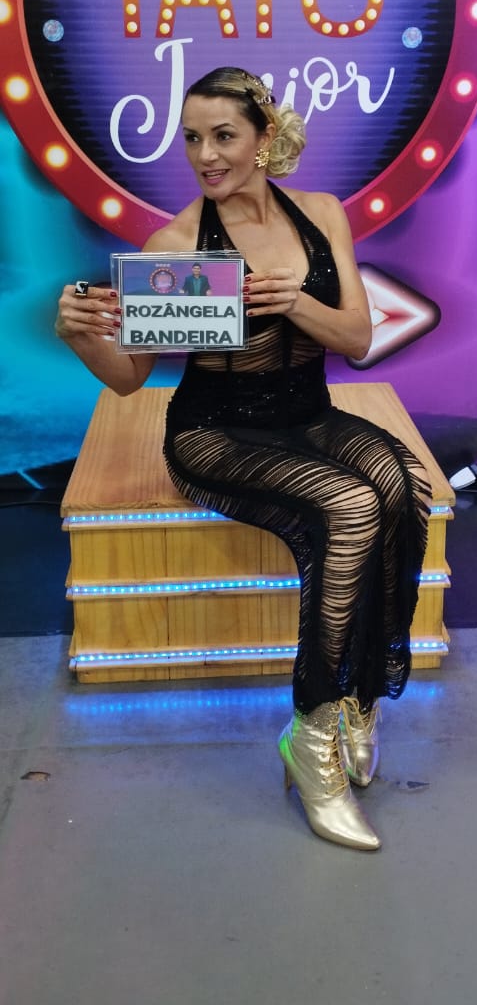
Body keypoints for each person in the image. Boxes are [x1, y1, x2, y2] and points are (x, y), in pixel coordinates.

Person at [56, 66, 430, 852]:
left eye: (223, 136)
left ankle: (361, 697)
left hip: (308, 417)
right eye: (192, 138)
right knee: (351, 505)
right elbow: (128, 378)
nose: (205, 156)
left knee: (400, 485)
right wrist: (83, 336)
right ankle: (311, 737)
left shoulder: (321, 214)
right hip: (215, 432)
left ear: (264, 138)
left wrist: (294, 300)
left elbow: (358, 340)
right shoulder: (177, 246)